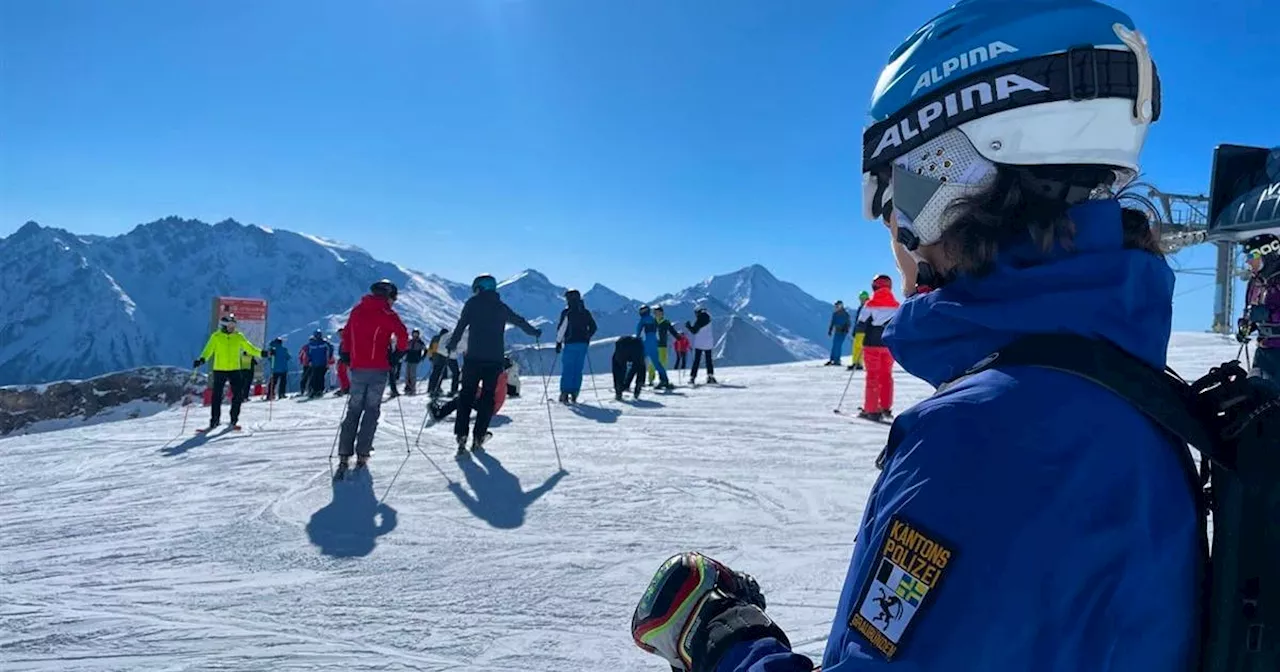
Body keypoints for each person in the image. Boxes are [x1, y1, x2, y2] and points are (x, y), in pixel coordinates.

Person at [630, 2, 1198, 670]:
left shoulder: (987, 435)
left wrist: (724, 639)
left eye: (894, 187)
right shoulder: (1116, 384)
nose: (892, 223)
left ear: (949, 171)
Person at [442, 274, 541, 454]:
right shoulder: (501, 307)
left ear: (479, 288)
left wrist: (452, 344)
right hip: (494, 361)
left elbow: (461, 325)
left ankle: (461, 435)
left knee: (466, 395)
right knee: (488, 397)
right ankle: (479, 436)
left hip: (473, 359)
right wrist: (534, 332)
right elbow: (519, 321)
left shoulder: (472, 304)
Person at [335, 279, 409, 477]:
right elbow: (403, 335)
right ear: (389, 296)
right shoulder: (388, 313)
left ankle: (344, 454)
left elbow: (347, 334)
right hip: (378, 368)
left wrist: (347, 354)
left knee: (353, 409)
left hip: (358, 367)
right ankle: (362, 453)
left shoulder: (357, 310)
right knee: (371, 410)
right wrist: (397, 354)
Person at [193, 314, 262, 431]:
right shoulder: (216, 337)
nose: (233, 327)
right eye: (230, 325)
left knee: (238, 395)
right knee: (217, 396)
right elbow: (208, 350)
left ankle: (233, 420)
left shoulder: (238, 336)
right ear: (224, 325)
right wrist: (202, 359)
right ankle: (214, 420)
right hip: (220, 369)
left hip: (235, 369)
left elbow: (250, 348)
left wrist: (263, 353)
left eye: (234, 325)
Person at [856, 275, 899, 421]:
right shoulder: (896, 305)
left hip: (872, 345)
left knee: (872, 376)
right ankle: (886, 407)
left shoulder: (870, 304)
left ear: (875, 287)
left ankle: (872, 410)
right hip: (888, 346)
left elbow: (861, 325)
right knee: (886, 376)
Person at [1238, 233, 1280, 381]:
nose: (1249, 262)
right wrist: (1247, 325)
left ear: (1268, 254)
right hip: (1264, 350)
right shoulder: (1255, 283)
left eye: (1252, 257)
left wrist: (1268, 314)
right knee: (1256, 393)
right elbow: (1251, 311)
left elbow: (1266, 313)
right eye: (1247, 258)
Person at [556, 288, 598, 403]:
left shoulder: (567, 312)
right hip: (583, 345)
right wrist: (587, 337)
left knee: (568, 369)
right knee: (577, 369)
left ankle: (565, 393)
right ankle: (575, 393)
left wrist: (558, 342)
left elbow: (561, 329)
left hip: (570, 343)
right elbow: (594, 327)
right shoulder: (585, 312)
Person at [636, 306, 675, 390]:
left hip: (646, 344)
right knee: (657, 363)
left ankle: (635, 382)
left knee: (638, 361)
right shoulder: (653, 320)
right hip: (654, 344)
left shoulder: (643, 320)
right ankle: (664, 380)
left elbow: (638, 333)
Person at [427, 327, 461, 398]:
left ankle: (432, 388)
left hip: (437, 358)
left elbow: (432, 349)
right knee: (441, 373)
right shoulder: (444, 339)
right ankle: (437, 388)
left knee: (436, 373)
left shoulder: (437, 338)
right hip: (445, 358)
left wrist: (431, 357)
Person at [686, 306, 716, 385]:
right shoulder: (708, 317)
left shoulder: (699, 319)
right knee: (708, 360)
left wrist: (688, 326)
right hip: (708, 342)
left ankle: (692, 377)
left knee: (697, 360)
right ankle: (710, 376)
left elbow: (694, 331)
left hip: (699, 343)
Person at [611, 335, 647, 401]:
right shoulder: (640, 343)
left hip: (621, 346)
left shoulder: (621, 342)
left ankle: (618, 390)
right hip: (637, 346)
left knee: (618, 366)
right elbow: (636, 367)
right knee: (640, 365)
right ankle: (638, 385)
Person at [304, 330, 334, 399]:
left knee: (318, 376)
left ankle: (318, 390)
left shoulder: (322, 343)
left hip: (321, 363)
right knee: (317, 377)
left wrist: (328, 358)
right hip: (318, 363)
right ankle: (316, 390)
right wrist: (310, 360)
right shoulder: (318, 343)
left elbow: (330, 349)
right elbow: (308, 353)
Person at [847, 291, 870, 371]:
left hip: (863, 331)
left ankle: (859, 363)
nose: (861, 300)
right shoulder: (861, 307)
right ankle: (855, 362)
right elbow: (857, 321)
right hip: (858, 331)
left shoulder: (868, 307)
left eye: (863, 298)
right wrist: (854, 331)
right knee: (855, 347)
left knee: (860, 348)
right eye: (860, 298)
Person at [827, 301, 852, 366]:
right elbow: (832, 322)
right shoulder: (835, 314)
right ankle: (832, 359)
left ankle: (837, 360)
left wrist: (846, 329)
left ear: (841, 306)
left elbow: (849, 323)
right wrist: (830, 330)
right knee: (835, 344)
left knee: (838, 345)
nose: (836, 307)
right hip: (837, 331)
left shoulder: (845, 314)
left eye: (837, 306)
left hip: (842, 332)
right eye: (836, 306)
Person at [403, 328, 427, 395]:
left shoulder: (420, 342)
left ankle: (412, 387)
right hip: (409, 358)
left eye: (416, 334)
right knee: (407, 374)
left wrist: (422, 357)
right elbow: (406, 349)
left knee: (412, 374)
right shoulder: (410, 341)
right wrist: (404, 355)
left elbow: (425, 350)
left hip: (415, 359)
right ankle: (407, 386)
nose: (415, 335)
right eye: (414, 333)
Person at [334, 327, 351, 396]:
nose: (340, 335)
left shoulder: (347, 340)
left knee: (343, 373)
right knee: (341, 373)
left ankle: (346, 387)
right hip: (344, 359)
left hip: (347, 359)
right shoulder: (343, 341)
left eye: (341, 334)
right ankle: (345, 387)